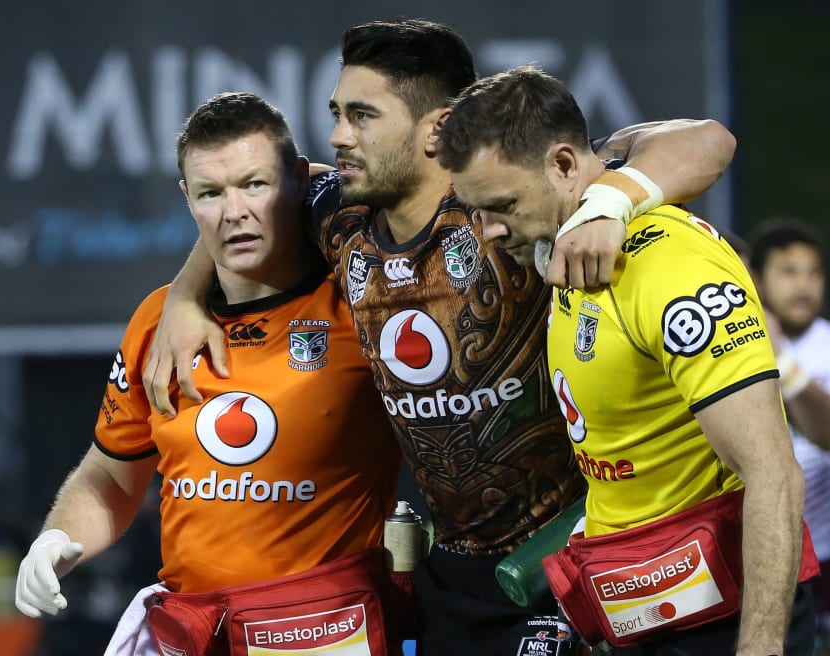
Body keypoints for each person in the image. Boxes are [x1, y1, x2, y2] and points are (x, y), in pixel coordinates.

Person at [142, 19, 737, 656]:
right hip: (452, 576)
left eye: (363, 116)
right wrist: (185, 293)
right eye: (338, 113)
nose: (340, 136)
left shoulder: (507, 200)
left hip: (567, 552)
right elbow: (246, 200)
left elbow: (707, 139)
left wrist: (612, 202)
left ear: (438, 128)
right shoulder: (336, 213)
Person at [436, 65, 818, 655]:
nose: (487, 231)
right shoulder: (568, 248)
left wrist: (761, 648)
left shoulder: (671, 266)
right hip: (639, 612)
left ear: (564, 165)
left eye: (502, 204)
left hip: (721, 625)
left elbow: (773, 474)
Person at [14, 92, 408, 655]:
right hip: (193, 631)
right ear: (187, 199)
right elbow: (111, 475)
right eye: (210, 194)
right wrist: (57, 537)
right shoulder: (156, 322)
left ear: (297, 180)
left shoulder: (360, 303)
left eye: (255, 184)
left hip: (324, 630)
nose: (233, 212)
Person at [749, 219, 830, 656]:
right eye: (788, 271)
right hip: (750, 557)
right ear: (757, 278)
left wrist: (783, 362)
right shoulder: (731, 349)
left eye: (814, 272)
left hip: (829, 561)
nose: (804, 284)